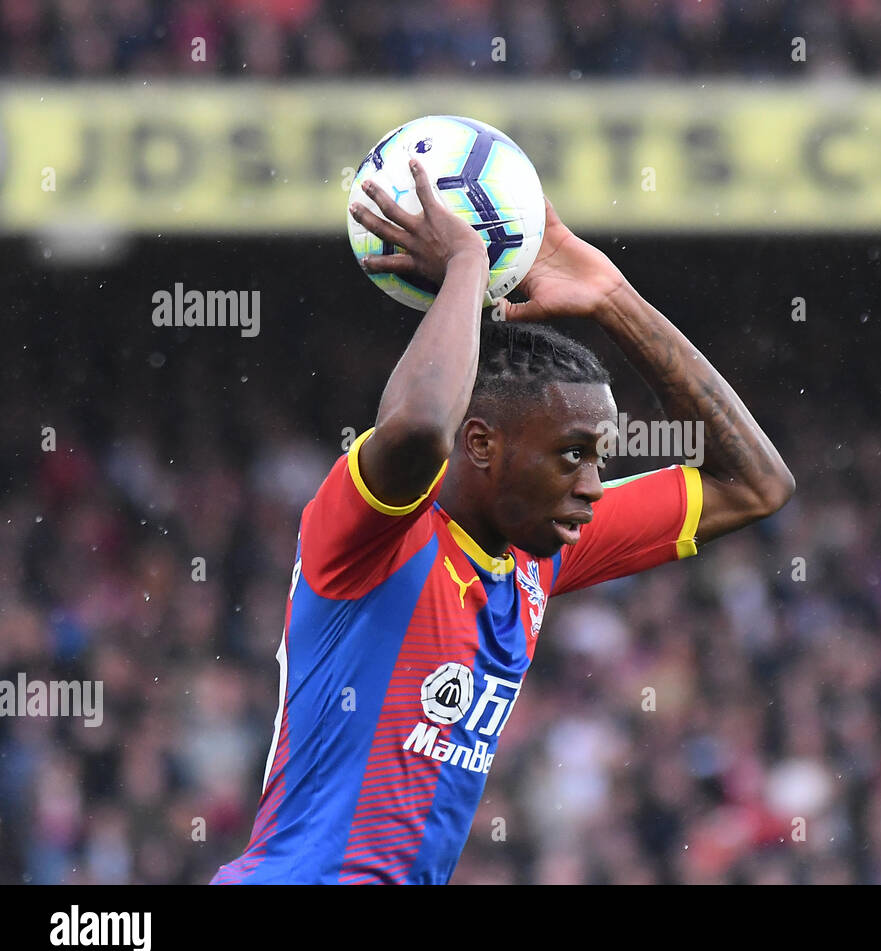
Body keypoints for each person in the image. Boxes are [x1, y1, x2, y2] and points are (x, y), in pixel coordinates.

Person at [212, 157, 794, 884]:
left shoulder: (541, 553)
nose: (592, 484)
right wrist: (465, 264)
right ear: (483, 443)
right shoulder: (372, 540)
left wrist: (613, 298)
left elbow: (757, 483)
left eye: (599, 458)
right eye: (573, 455)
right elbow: (423, 426)